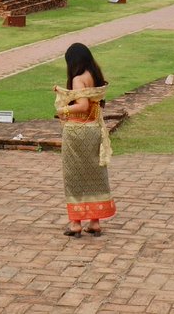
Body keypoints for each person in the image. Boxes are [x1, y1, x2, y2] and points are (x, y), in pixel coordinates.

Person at [53, 43, 115, 237]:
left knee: (74, 176)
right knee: (94, 174)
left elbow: (82, 105)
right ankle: (94, 222)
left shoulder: (78, 79)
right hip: (94, 130)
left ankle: (75, 223)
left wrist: (62, 109)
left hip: (77, 133)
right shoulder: (95, 76)